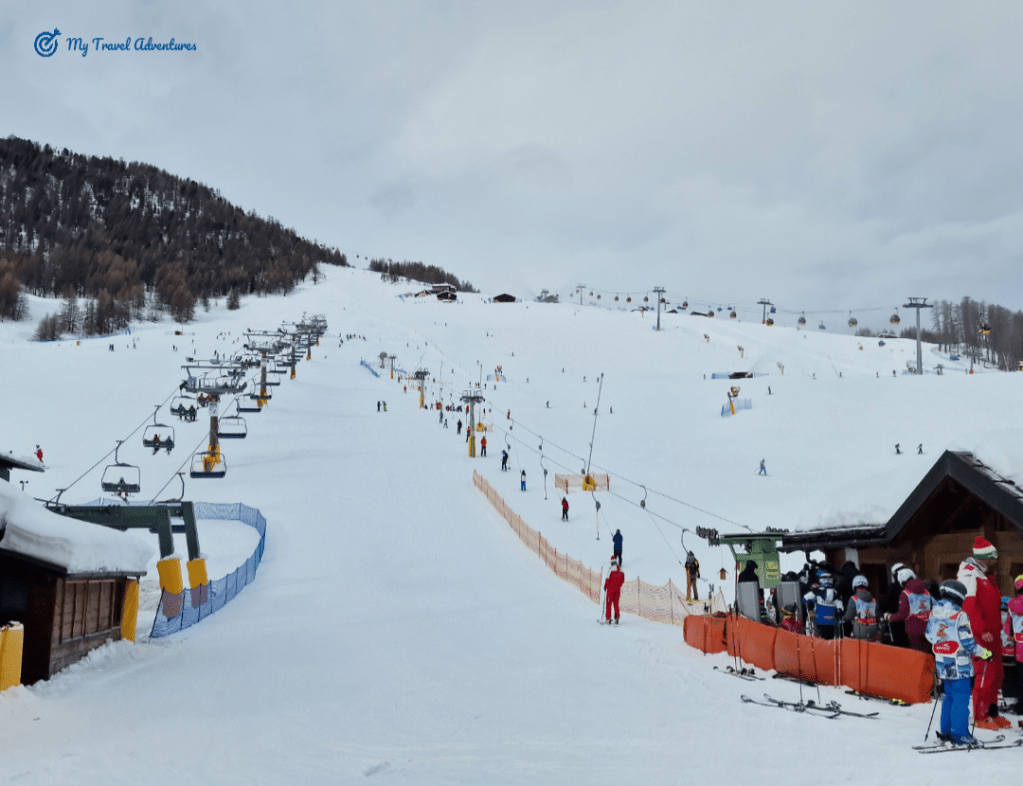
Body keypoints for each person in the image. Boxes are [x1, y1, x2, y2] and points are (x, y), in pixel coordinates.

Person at [926, 579, 993, 746]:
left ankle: (946, 731)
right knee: (961, 699)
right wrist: (985, 653)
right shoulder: (960, 616)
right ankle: (960, 734)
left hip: (942, 663)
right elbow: (969, 643)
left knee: (948, 697)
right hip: (960, 665)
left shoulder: (933, 613)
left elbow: (929, 636)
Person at [958, 536, 1007, 729]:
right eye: (986, 558)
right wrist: (981, 629)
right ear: (979, 557)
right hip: (982, 634)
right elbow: (969, 605)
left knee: (997, 673)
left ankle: (992, 712)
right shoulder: (969, 573)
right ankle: (979, 715)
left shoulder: (982, 574)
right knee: (985, 673)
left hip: (994, 634)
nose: (988, 563)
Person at [887, 568, 932, 653]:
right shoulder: (926, 591)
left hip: (913, 629)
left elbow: (902, 615)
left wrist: (889, 617)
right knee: (927, 653)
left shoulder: (905, 594)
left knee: (917, 654)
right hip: (928, 627)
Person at [1002, 575, 1023, 713]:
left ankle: (1021, 707)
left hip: (1020, 649)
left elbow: (1008, 630)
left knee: (1021, 679)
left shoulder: (1011, 604)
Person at [804, 571, 842, 639]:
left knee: (821, 638)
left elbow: (805, 598)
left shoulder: (817, 591)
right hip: (832, 621)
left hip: (820, 619)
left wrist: (810, 603)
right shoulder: (836, 593)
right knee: (830, 638)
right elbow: (840, 607)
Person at [882, 563, 910, 647]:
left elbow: (887, 603)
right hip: (911, 621)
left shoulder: (894, 587)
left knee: (899, 645)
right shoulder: (910, 586)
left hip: (896, 621)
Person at [842, 576, 878, 640]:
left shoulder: (854, 599)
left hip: (860, 632)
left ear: (855, 587)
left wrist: (843, 619)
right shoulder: (873, 600)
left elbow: (849, 616)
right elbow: (877, 615)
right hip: (873, 632)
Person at [604, 557, 625, 625]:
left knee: (608, 604)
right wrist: (619, 585)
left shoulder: (610, 570)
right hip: (617, 590)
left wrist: (605, 587)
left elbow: (607, 580)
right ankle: (616, 618)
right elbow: (622, 580)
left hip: (610, 590)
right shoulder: (621, 570)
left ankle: (608, 619)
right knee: (616, 604)